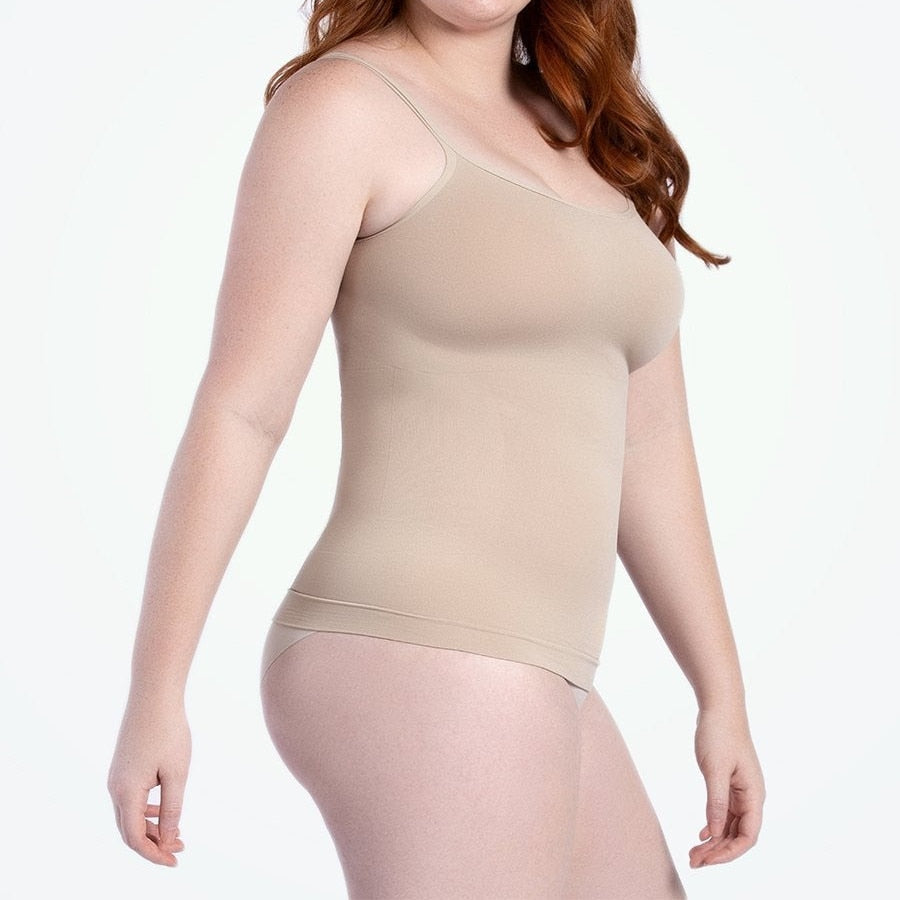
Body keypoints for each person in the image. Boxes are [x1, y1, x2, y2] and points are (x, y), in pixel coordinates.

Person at [107, 0, 766, 895]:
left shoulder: (589, 131)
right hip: (410, 637)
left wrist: (721, 693)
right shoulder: (345, 107)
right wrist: (156, 690)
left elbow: (651, 441)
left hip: (536, 662)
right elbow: (242, 411)